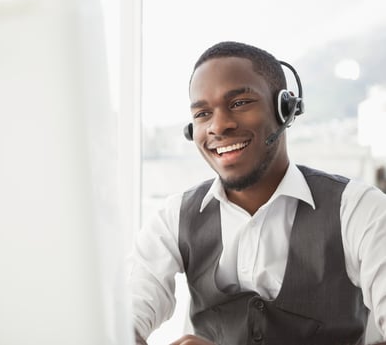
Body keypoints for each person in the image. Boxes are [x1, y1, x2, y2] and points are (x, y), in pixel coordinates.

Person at [128, 41, 386, 345]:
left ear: (285, 109)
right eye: (202, 114)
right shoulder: (173, 218)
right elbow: (119, 320)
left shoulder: (360, 210)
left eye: (239, 103)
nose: (218, 126)